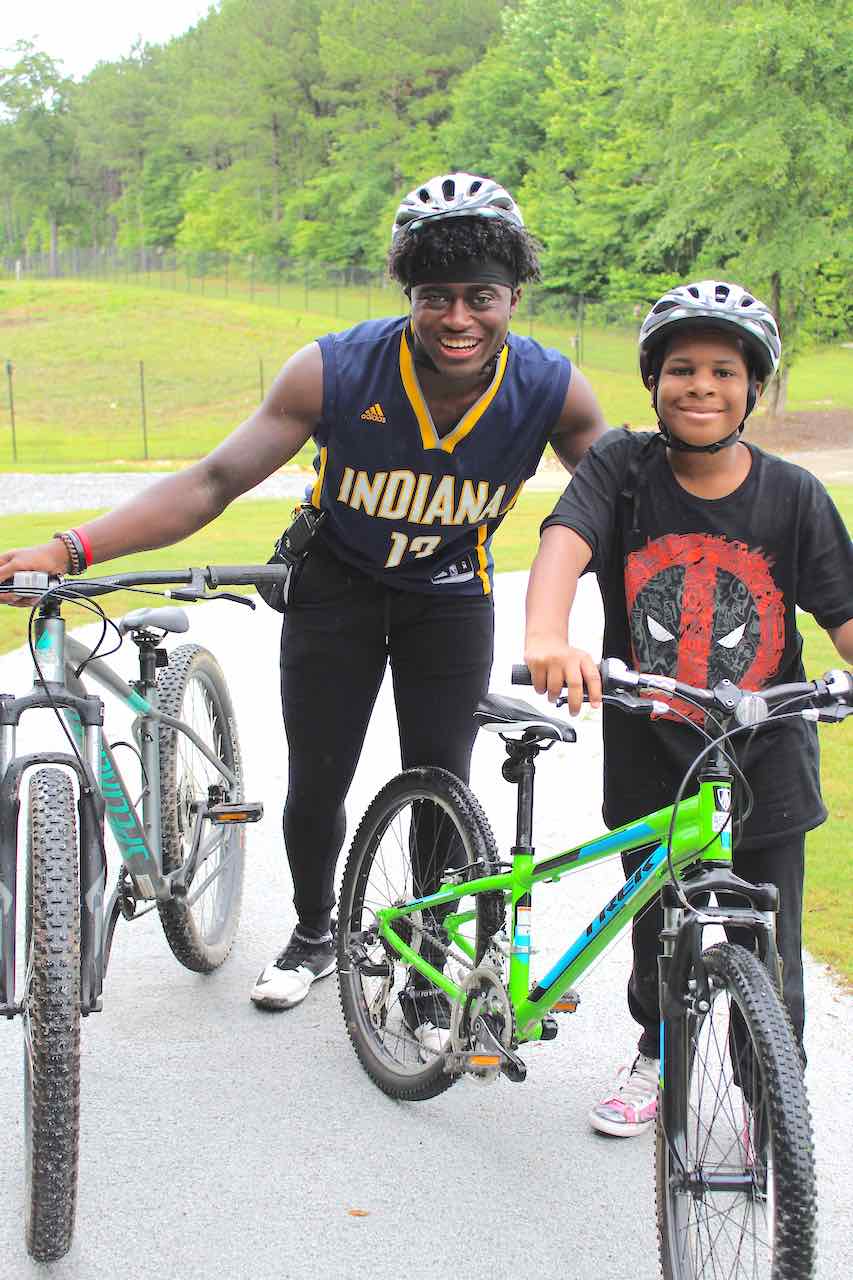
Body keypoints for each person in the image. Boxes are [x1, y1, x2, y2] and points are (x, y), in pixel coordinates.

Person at [0, 172, 606, 1023]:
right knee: (319, 783)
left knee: (440, 781)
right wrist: (69, 548)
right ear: (409, 293)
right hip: (336, 593)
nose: (459, 319)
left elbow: (617, 502)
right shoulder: (332, 369)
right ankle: (315, 934)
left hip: (449, 599)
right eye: (436, 296)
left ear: (513, 296)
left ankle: (425, 958)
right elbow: (213, 480)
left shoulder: (552, 388)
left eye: (482, 297)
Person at [524, 280, 853, 1136]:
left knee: (768, 951)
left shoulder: (792, 496)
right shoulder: (622, 470)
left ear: (752, 389)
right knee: (658, 933)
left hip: (765, 758)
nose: (699, 386)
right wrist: (546, 633)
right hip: (653, 755)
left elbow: (843, 615)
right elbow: (565, 538)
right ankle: (655, 1051)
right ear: (651, 381)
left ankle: (766, 1093)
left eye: (721, 371)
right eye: (680, 369)